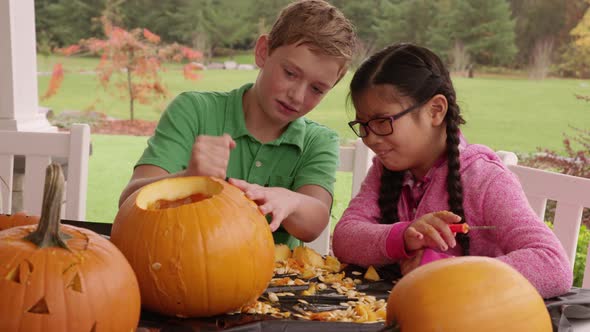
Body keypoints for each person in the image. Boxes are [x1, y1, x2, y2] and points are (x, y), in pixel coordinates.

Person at [332, 43, 572, 298]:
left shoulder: (484, 179)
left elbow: (553, 265)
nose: (370, 139)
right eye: (363, 125)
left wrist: (452, 273)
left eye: (382, 122)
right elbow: (345, 238)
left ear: (435, 110)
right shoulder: (386, 170)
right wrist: (405, 236)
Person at [118, 0, 356, 248]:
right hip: (179, 262)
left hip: (278, 283)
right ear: (263, 51)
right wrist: (189, 178)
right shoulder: (194, 110)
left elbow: (313, 224)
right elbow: (128, 202)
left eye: (317, 89)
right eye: (290, 73)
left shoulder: (318, 141)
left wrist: (291, 200)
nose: (297, 95)